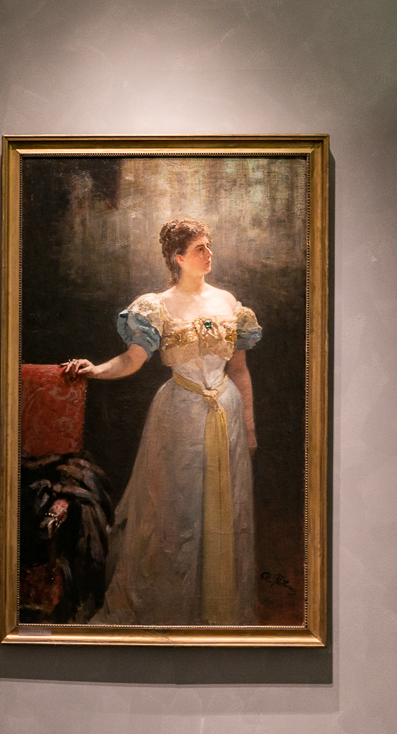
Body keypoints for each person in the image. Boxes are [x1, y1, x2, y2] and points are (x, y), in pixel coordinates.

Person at [65, 218, 262, 625]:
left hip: (226, 413)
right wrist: (95, 370)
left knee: (224, 511)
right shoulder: (157, 305)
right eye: (200, 249)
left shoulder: (228, 302)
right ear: (179, 258)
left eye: (209, 246)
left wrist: (249, 426)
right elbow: (132, 360)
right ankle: (169, 609)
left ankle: (216, 609)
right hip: (179, 415)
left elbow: (239, 369)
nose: (209, 254)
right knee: (175, 512)